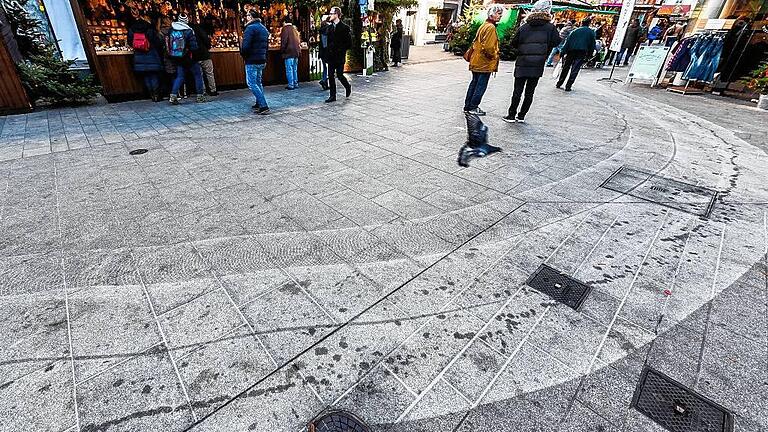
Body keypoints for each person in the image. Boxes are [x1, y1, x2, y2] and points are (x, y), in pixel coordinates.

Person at [503, 0, 560, 123]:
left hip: (522, 62)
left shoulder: (524, 27)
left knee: (517, 90)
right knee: (530, 91)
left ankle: (511, 115)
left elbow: (513, 43)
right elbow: (556, 42)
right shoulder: (550, 28)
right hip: (538, 63)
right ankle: (521, 115)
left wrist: (522, 48)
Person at [463, 4, 503, 116]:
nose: (500, 16)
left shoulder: (484, 25)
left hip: (476, 60)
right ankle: (473, 107)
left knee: (474, 83)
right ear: (492, 14)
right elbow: (489, 47)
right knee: (480, 85)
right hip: (484, 63)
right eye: (499, 14)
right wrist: (495, 55)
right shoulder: (491, 27)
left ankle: (468, 106)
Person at [167, 13, 206, 104]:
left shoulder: (172, 30)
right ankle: (200, 96)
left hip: (177, 57)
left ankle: (173, 95)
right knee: (197, 75)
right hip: (189, 57)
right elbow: (194, 47)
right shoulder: (188, 31)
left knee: (180, 76)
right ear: (186, 21)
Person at [127, 12, 163, 102]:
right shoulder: (150, 28)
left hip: (139, 55)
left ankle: (151, 94)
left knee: (146, 75)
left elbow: (130, 41)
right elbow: (157, 42)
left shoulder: (132, 28)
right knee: (153, 75)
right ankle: (156, 95)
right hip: (151, 53)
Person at [241, 10, 270, 114]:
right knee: (258, 82)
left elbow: (245, 46)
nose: (246, 17)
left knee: (251, 83)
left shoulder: (250, 28)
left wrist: (244, 55)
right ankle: (259, 102)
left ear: (251, 17)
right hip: (261, 59)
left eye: (247, 15)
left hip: (252, 59)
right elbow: (266, 47)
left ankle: (263, 105)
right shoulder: (263, 28)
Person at [556, 17, 596, 91]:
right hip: (582, 52)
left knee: (566, 67)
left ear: (581, 23)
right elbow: (592, 44)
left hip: (571, 51)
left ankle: (559, 82)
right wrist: (589, 55)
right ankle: (568, 85)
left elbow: (567, 42)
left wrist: (562, 52)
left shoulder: (574, 31)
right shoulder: (591, 32)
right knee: (575, 68)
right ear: (589, 24)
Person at [325, 6, 352, 103]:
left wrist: (341, 50)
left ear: (337, 14)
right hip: (331, 56)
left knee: (340, 75)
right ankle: (333, 96)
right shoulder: (329, 28)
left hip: (339, 56)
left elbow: (349, 44)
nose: (330, 15)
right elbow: (327, 42)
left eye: (332, 13)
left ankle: (347, 86)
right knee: (330, 76)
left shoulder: (345, 28)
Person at [190, 17, 217, 96]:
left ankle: (202, 90)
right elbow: (206, 40)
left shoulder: (188, 32)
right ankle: (213, 90)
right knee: (209, 73)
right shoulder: (200, 29)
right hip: (204, 54)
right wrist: (208, 47)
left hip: (195, 56)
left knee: (199, 75)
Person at [280, 16, 301, 90]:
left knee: (289, 69)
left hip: (289, 52)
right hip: (296, 52)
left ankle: (291, 85)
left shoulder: (285, 29)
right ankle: (295, 83)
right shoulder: (294, 28)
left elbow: (284, 41)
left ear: (284, 22)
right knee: (294, 69)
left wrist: (282, 50)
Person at [318, 16, 331, 90]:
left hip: (322, 52)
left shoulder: (322, 30)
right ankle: (324, 81)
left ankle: (324, 81)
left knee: (325, 67)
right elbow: (325, 44)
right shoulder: (327, 30)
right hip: (326, 52)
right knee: (329, 67)